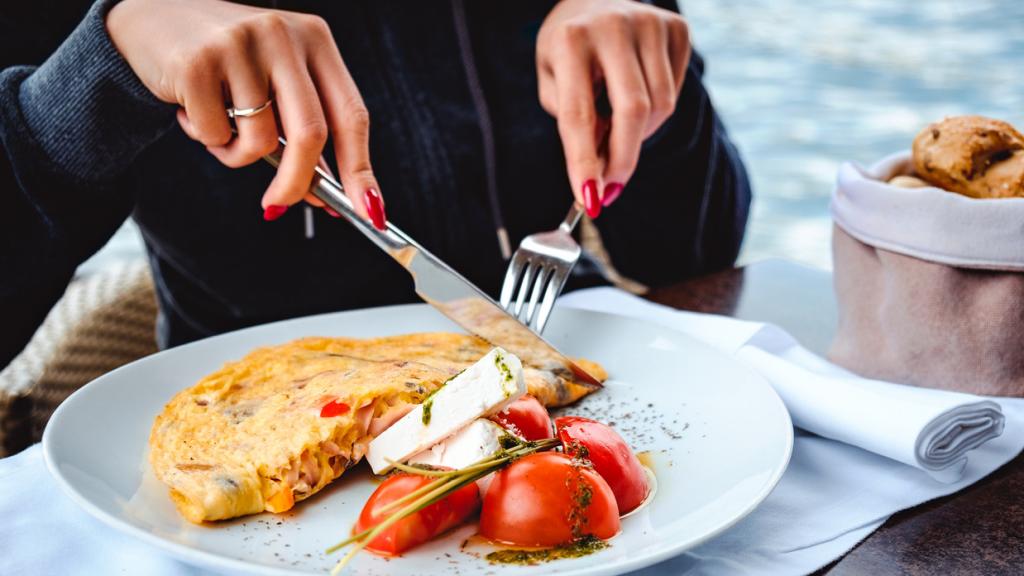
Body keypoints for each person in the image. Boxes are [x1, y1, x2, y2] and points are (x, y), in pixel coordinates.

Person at [0, 0, 750, 367]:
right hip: (256, 426)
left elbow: (692, 258)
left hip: (577, 367)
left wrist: (654, 92)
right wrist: (101, 69)